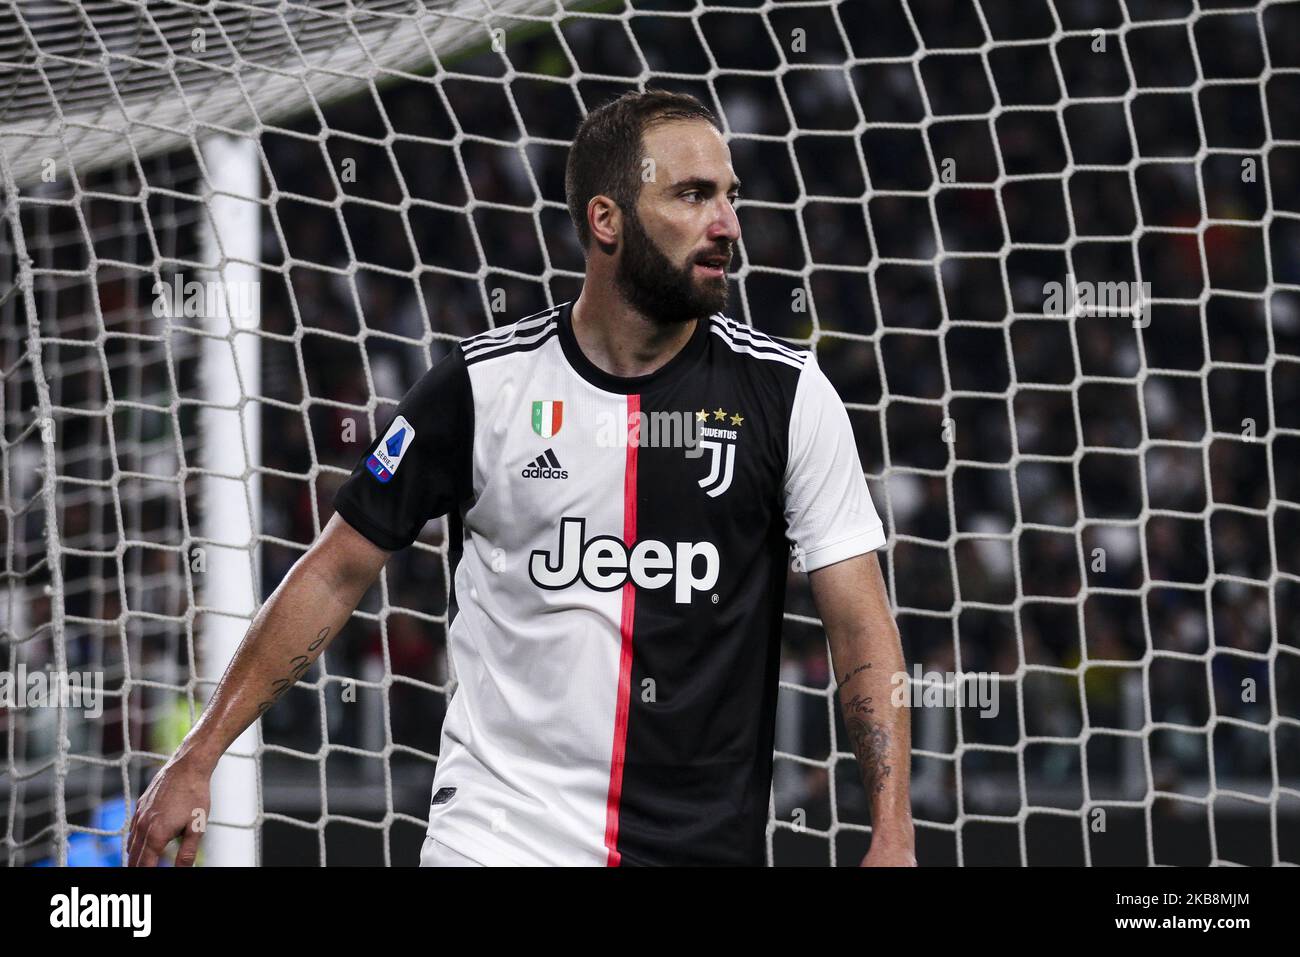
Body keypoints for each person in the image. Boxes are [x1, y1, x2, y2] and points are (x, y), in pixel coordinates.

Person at [128, 89, 915, 867]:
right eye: (693, 195)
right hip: (496, 840)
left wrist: (892, 831)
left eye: (730, 197)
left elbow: (859, 623)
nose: (727, 226)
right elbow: (334, 572)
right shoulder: (479, 389)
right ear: (606, 219)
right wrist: (199, 752)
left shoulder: (789, 396)